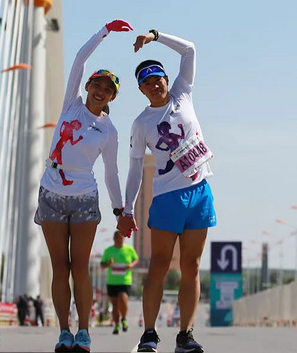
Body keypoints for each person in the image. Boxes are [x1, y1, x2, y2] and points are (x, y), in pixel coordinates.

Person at [35, 19, 132, 353]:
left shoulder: (109, 132)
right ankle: (64, 332)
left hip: (84, 200)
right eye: (97, 84)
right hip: (51, 194)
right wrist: (103, 32)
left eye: (107, 89)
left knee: (80, 267)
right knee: (59, 267)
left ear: (112, 97)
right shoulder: (71, 105)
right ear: (89, 86)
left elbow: (110, 174)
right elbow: (79, 59)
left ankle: (85, 333)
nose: (100, 91)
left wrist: (121, 209)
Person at [117, 29, 216, 353]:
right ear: (141, 89)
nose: (155, 83)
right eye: (147, 81)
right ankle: (148, 333)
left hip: (199, 190)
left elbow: (189, 50)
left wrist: (156, 36)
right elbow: (134, 169)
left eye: (158, 77)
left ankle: (185, 335)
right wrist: (127, 208)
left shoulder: (182, 94)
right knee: (159, 263)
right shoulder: (141, 123)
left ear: (165, 79)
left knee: (192, 265)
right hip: (167, 197)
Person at [101, 229, 139, 334]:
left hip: (125, 281)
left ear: (124, 239)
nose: (119, 240)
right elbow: (102, 265)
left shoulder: (129, 250)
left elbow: (136, 259)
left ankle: (124, 319)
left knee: (123, 299)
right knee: (115, 306)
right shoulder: (108, 251)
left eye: (121, 238)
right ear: (113, 239)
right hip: (112, 281)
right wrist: (108, 264)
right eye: (117, 238)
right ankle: (117, 325)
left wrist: (131, 264)